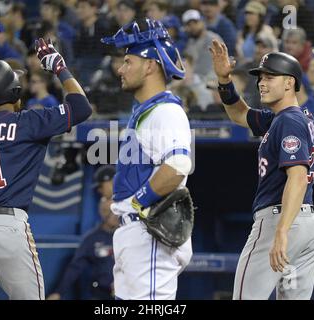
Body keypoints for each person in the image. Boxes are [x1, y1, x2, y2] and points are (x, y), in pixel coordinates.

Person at [0, 38, 92, 300]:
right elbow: (81, 107)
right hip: (5, 225)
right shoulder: (27, 121)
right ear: (15, 92)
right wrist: (59, 67)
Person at [210, 39, 314, 300]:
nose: (262, 82)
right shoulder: (289, 117)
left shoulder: (289, 121)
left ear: (290, 82)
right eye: (260, 77)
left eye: (270, 77)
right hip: (308, 227)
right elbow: (240, 115)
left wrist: (282, 231)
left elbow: (297, 177)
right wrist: (224, 81)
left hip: (280, 219)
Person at [101, 18, 193, 300]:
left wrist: (139, 201)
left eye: (128, 61)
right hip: (135, 234)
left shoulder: (166, 110)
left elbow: (177, 166)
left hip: (149, 232)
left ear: (150, 64)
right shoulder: (146, 110)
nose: (120, 68)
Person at [47, 165, 118, 300]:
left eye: (113, 210)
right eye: (106, 212)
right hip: (101, 295)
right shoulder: (93, 238)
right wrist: (59, 292)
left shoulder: (132, 233)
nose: (99, 191)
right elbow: (75, 268)